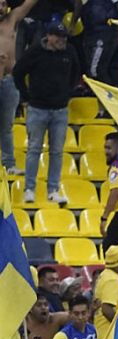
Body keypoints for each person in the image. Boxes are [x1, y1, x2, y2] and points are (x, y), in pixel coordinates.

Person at [11, 20, 79, 205]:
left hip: (60, 110)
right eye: (58, 36)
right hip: (37, 109)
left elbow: (76, 73)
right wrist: (26, 96)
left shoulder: (70, 52)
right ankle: (29, 189)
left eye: (63, 37)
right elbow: (18, 73)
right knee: (34, 149)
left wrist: (67, 93)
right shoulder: (35, 52)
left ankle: (53, 190)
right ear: (48, 36)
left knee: (57, 152)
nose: (61, 40)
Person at [0, 0, 39, 175]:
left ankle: (9, 164)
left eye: (2, 4)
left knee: (6, 126)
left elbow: (29, 3)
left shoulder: (13, 18)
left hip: (9, 80)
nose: (0, 8)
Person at [92, 246, 118, 339]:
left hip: (104, 335)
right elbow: (107, 309)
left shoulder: (105, 275)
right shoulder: (113, 280)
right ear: (117, 263)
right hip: (109, 336)